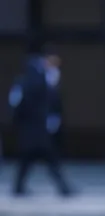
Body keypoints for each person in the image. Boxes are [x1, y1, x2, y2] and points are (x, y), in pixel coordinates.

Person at [8, 48, 74, 197]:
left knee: (28, 160)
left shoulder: (23, 83)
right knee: (49, 159)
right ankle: (63, 188)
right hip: (38, 130)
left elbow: (15, 104)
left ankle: (19, 187)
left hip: (30, 130)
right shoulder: (39, 83)